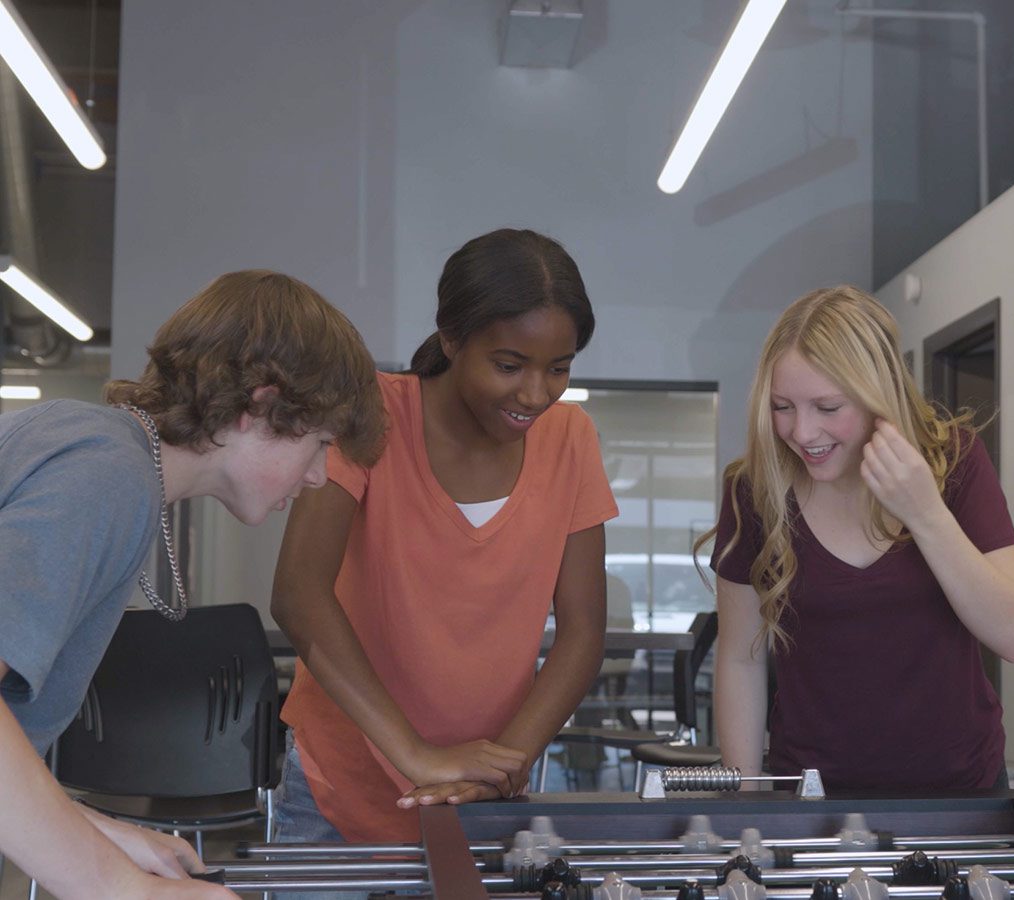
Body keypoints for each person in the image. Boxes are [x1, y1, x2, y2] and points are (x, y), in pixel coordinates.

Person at [0, 270, 386, 899]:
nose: (318, 475)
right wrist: (127, 889)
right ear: (258, 406)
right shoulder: (107, 475)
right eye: (318, 444)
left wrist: (97, 833)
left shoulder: (85, 441)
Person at [271, 229, 618, 863]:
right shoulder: (371, 412)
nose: (536, 393)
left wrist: (507, 764)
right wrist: (417, 757)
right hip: (339, 788)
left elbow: (582, 631)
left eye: (559, 367)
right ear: (453, 339)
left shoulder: (571, 438)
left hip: (485, 796)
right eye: (509, 365)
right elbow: (298, 594)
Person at [705, 285, 1014, 791]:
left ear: (878, 394)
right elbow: (740, 658)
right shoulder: (753, 489)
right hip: (811, 796)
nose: (802, 432)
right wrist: (746, 802)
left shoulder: (955, 463)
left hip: (959, 792)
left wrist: (924, 513)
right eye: (783, 406)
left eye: (828, 406)